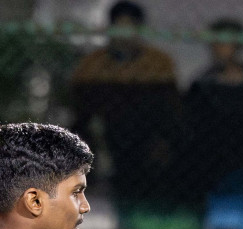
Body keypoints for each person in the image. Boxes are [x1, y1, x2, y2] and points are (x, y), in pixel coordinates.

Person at [70, 1, 180, 204]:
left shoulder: (157, 62)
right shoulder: (93, 63)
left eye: (129, 27)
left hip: (146, 131)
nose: (124, 34)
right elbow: (81, 106)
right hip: (106, 129)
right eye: (119, 26)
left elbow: (169, 105)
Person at [184, 18, 243, 196]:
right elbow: (194, 121)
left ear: (238, 45)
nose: (217, 48)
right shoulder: (202, 83)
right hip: (212, 150)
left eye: (224, 43)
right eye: (214, 43)